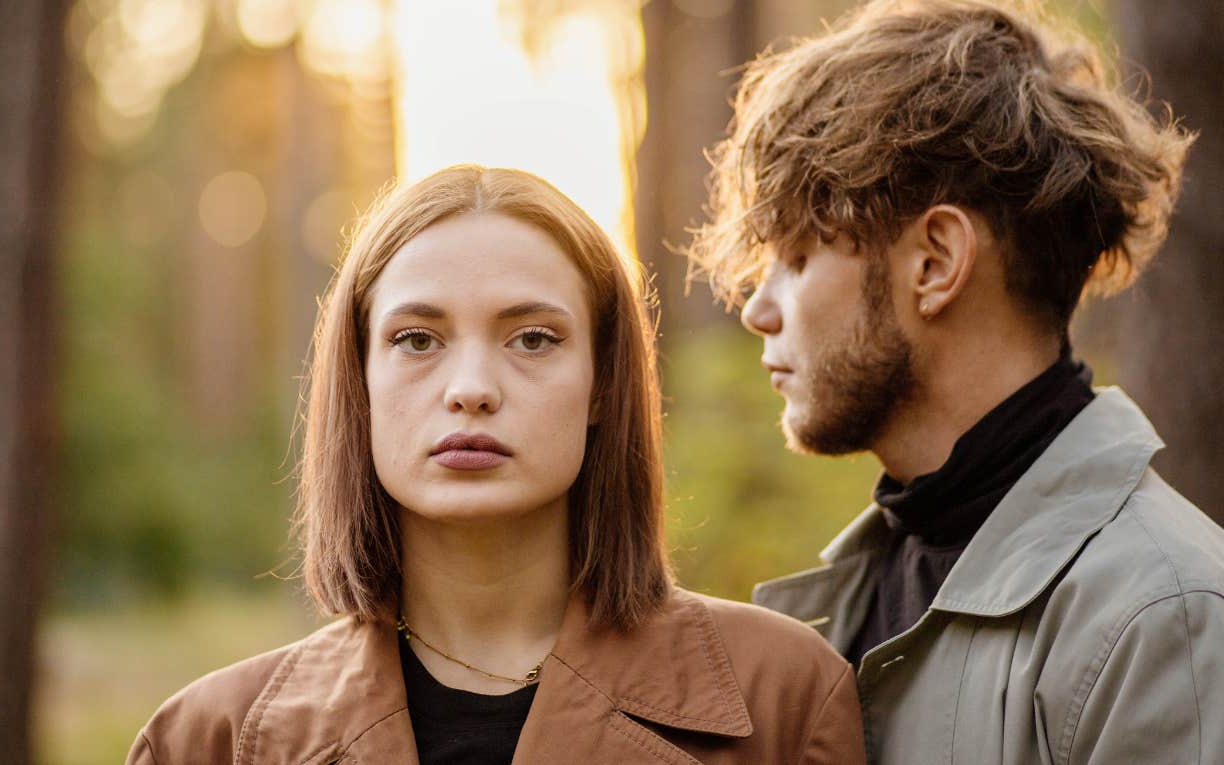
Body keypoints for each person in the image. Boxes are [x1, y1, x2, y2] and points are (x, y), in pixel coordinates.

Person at [127, 165, 865, 764]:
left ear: (602, 384)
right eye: (418, 339)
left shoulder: (781, 700)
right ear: (361, 381)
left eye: (533, 338)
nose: (472, 388)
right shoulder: (205, 741)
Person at [686, 1, 1224, 763]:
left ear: (935, 261)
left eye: (800, 256)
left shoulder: (1162, 618)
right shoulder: (849, 601)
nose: (758, 310)